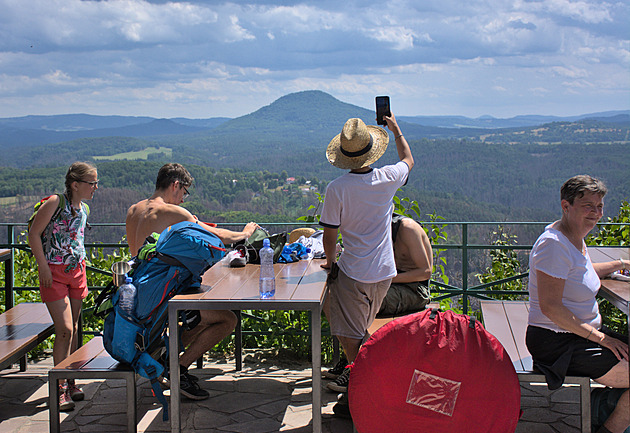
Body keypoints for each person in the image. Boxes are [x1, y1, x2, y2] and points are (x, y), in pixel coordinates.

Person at [125, 163, 259, 400]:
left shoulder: (133, 210)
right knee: (227, 319)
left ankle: (167, 356)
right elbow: (217, 237)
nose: (183, 200)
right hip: (162, 300)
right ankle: (177, 368)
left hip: (138, 296)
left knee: (198, 315)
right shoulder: (175, 213)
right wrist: (245, 233)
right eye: (184, 192)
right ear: (175, 185)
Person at [319, 115, 413, 415]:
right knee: (358, 331)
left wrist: (331, 263)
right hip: (384, 272)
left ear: (344, 155)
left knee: (352, 336)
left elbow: (330, 233)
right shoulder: (387, 178)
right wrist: (396, 129)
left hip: (354, 271)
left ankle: (367, 391)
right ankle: (360, 387)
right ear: (371, 149)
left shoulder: (337, 188)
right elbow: (409, 160)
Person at [525, 175, 629, 433]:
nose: (596, 213)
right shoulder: (553, 245)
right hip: (557, 342)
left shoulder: (573, 237)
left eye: (600, 206)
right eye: (588, 206)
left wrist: (620, 264)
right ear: (566, 205)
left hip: (578, 336)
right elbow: (551, 307)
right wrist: (601, 339)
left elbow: (580, 271)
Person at [324, 213, 433, 381]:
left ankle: (358, 369)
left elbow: (425, 272)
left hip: (413, 289)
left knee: (356, 302)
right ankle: (351, 359)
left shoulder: (407, 228)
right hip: (386, 284)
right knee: (330, 296)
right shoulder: (376, 232)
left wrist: (387, 277)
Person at [28, 161, 98, 411]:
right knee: (66, 329)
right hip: (53, 274)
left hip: (77, 272)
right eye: (92, 183)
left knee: (75, 328)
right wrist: (43, 267)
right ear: (75, 184)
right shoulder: (56, 202)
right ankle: (58, 387)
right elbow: (34, 233)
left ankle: (70, 381)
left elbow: (75, 239)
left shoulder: (84, 208)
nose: (95, 187)